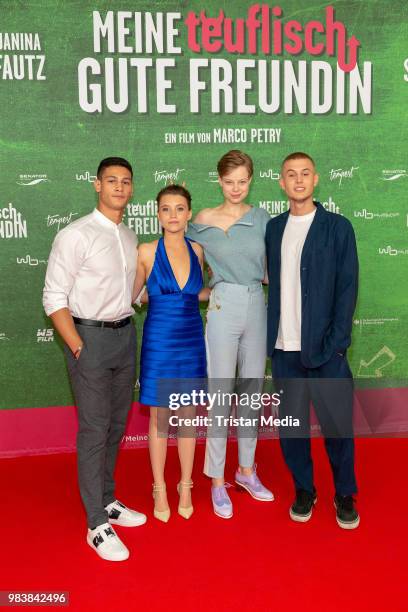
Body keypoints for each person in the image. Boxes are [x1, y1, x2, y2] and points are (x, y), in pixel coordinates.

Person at [43, 157, 146, 562]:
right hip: (88, 339)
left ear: (132, 189)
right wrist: (77, 344)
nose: (119, 187)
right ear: (96, 185)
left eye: (126, 182)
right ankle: (95, 524)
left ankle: (107, 500)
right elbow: (54, 297)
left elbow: (133, 295)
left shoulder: (129, 235)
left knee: (116, 425)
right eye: (111, 181)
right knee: (94, 428)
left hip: (125, 336)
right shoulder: (75, 235)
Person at [265, 152, 360, 529]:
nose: (299, 180)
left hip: (326, 350)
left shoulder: (338, 227)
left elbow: (347, 287)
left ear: (316, 179)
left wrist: (337, 343)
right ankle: (304, 488)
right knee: (292, 427)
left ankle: (344, 493)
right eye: (291, 174)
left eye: (305, 173)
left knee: (338, 426)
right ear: (282, 183)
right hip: (285, 350)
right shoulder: (273, 229)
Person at [187, 150, 274, 519]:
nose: (235, 188)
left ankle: (247, 471)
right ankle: (217, 480)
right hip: (223, 307)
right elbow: (188, 269)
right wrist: (208, 292)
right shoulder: (202, 220)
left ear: (250, 180)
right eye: (228, 181)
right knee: (221, 394)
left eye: (242, 181)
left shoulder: (264, 219)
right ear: (218, 181)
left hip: (257, 303)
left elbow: (273, 271)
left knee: (252, 393)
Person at [133, 184, 207, 522]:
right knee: (160, 418)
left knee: (189, 417)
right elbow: (132, 296)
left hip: (191, 338)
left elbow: (200, 291)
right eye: (166, 208)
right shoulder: (146, 251)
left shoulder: (198, 251)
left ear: (189, 213)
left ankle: (186, 484)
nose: (173, 215)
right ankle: (159, 486)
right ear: (158, 214)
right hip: (160, 340)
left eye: (179, 208)